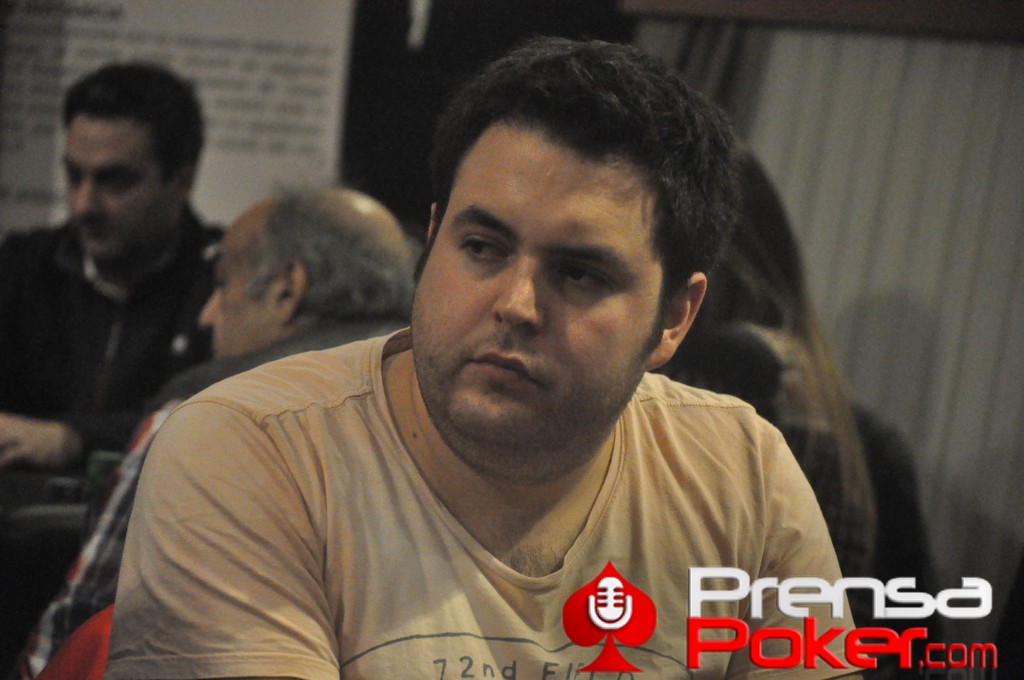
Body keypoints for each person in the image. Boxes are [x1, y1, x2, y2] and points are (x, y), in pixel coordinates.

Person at [106, 38, 859, 678]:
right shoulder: (249, 449)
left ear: (673, 318)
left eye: (580, 274)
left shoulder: (741, 470)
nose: (517, 305)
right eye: (482, 247)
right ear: (432, 239)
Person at [15, 187, 415, 679]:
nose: (207, 315)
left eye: (222, 284)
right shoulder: (432, 411)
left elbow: (84, 620)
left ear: (287, 289)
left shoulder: (201, 413)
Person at [0, 62, 220, 471]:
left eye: (115, 181)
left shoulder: (224, 282)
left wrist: (74, 438)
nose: (84, 205)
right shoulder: (22, 265)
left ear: (183, 181)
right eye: (74, 176)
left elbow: (214, 420)